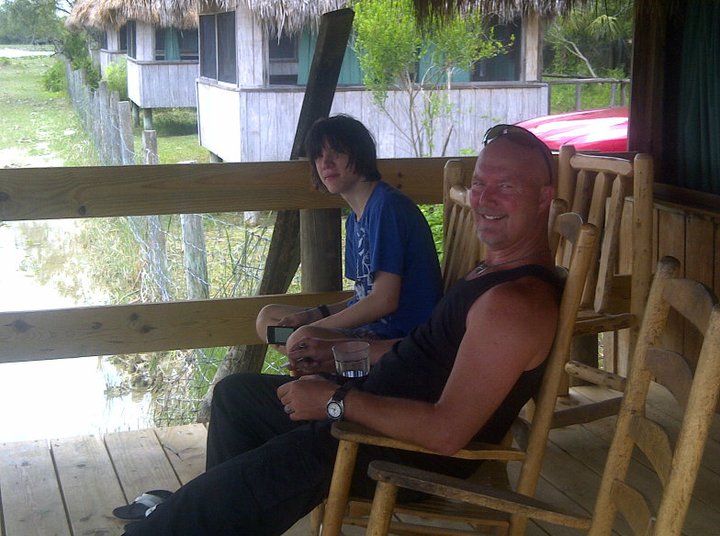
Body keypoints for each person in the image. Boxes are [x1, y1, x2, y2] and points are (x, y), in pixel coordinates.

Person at [122, 124, 560, 536]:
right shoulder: (488, 274)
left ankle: (185, 517)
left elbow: (446, 432)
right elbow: (424, 351)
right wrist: (340, 356)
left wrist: (335, 401)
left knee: (233, 491)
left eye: (506, 187)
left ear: (544, 198)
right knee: (237, 399)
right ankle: (214, 510)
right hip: (373, 407)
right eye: (480, 183)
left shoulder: (513, 305)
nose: (484, 199)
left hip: (394, 448)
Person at [256, 114, 442, 349]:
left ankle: (308, 356)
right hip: (372, 328)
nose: (326, 163)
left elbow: (384, 301)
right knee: (268, 317)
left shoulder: (387, 207)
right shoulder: (355, 219)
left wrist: (313, 330)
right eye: (318, 155)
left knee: (302, 337)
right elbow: (362, 297)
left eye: (336, 152)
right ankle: (305, 356)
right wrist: (312, 315)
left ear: (360, 153)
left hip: (400, 338)